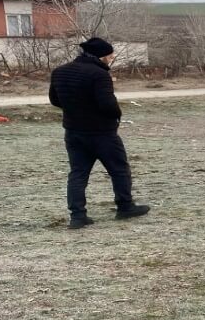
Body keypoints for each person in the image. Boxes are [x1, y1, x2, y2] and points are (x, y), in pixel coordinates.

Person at [49, 37, 150, 229]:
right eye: (110, 56)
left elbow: (54, 100)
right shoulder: (99, 74)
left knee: (78, 173)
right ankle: (125, 206)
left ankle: (77, 216)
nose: (111, 59)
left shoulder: (60, 71)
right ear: (101, 56)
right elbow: (107, 104)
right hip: (102, 132)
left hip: (73, 131)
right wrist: (117, 114)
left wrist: (75, 109)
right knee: (119, 169)